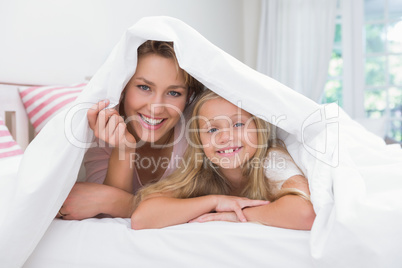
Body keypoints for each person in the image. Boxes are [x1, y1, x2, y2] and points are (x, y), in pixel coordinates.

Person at [56, 40, 204, 220]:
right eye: (144, 87)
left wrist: (111, 200)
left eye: (174, 93)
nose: (156, 108)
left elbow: (215, 203)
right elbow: (106, 218)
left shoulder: (197, 133)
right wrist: (124, 148)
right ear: (123, 87)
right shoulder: (103, 128)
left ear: (188, 97)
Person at [129, 90, 316, 230]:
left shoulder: (271, 159)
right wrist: (216, 202)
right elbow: (142, 218)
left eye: (238, 124)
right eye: (212, 130)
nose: (225, 137)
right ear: (200, 142)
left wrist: (237, 216)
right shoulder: (200, 170)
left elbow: (306, 214)